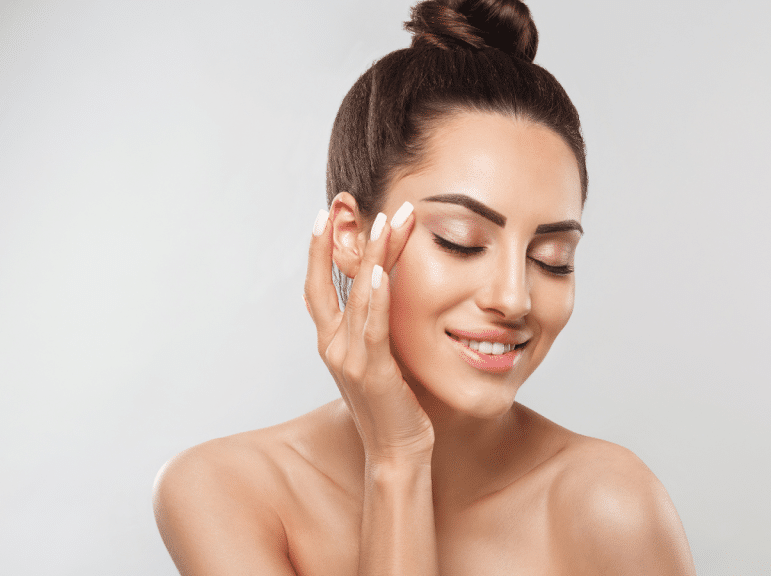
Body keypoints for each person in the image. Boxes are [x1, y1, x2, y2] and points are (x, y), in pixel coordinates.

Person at [152, 1, 696, 574]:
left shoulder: (612, 507)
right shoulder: (225, 490)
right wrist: (397, 458)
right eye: (461, 241)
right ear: (350, 235)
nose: (514, 299)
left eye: (551, 258)